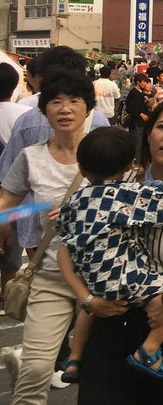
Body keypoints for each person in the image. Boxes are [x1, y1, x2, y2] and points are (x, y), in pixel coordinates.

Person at [56, 127, 163, 381]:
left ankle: (74, 359)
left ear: (82, 169)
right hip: (124, 277)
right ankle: (149, 349)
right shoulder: (125, 196)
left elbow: (63, 231)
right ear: (130, 164)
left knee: (87, 310)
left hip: (91, 281)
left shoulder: (75, 200)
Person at [0, 70, 95, 404]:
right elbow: (6, 205)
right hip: (51, 276)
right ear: (45, 110)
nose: (65, 108)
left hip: (105, 280)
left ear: (88, 109)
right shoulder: (32, 157)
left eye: (74, 101)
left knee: (102, 376)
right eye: (56, 101)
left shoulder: (108, 153)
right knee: (39, 371)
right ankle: (27, 367)